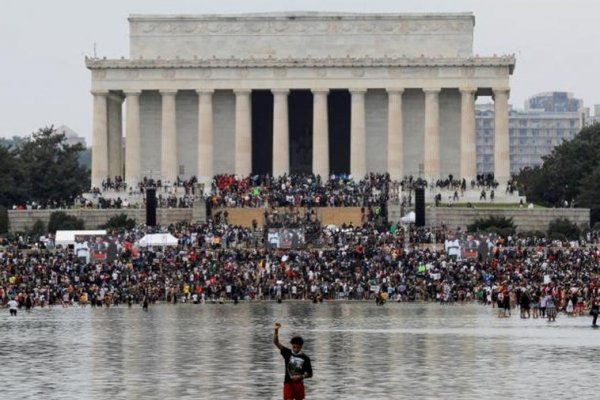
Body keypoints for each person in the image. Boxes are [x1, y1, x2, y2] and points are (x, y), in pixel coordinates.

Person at [273, 322, 313, 400]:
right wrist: (276, 331)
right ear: (292, 346)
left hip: (299, 384)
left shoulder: (305, 358)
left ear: (301, 346)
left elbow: (310, 374)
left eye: (298, 347)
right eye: (294, 347)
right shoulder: (287, 353)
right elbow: (276, 342)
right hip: (288, 383)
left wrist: (301, 376)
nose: (296, 349)